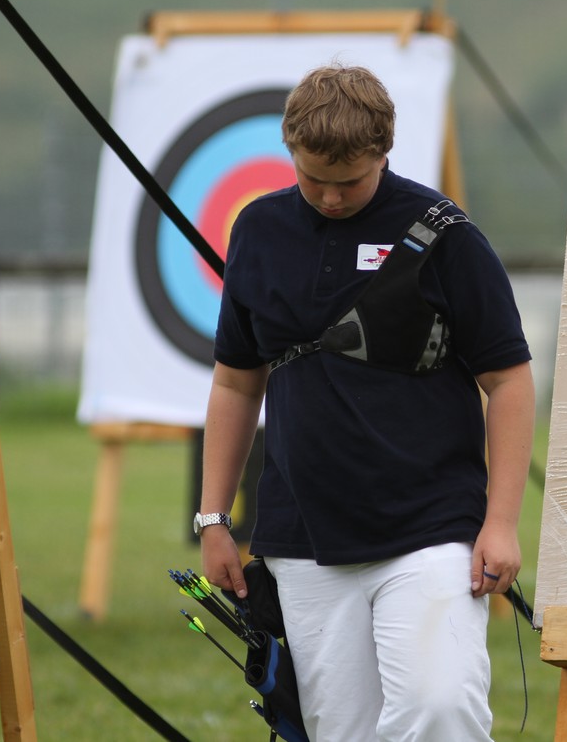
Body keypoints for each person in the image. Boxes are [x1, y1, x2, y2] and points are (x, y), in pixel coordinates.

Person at [198, 63, 535, 741]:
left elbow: (509, 381)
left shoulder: (446, 236)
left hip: (432, 526)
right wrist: (212, 516)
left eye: (348, 181)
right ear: (290, 149)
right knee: (341, 732)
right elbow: (237, 378)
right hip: (303, 536)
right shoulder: (259, 229)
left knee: (441, 708)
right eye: (312, 177)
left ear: (384, 150)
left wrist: (500, 522)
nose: (327, 197)